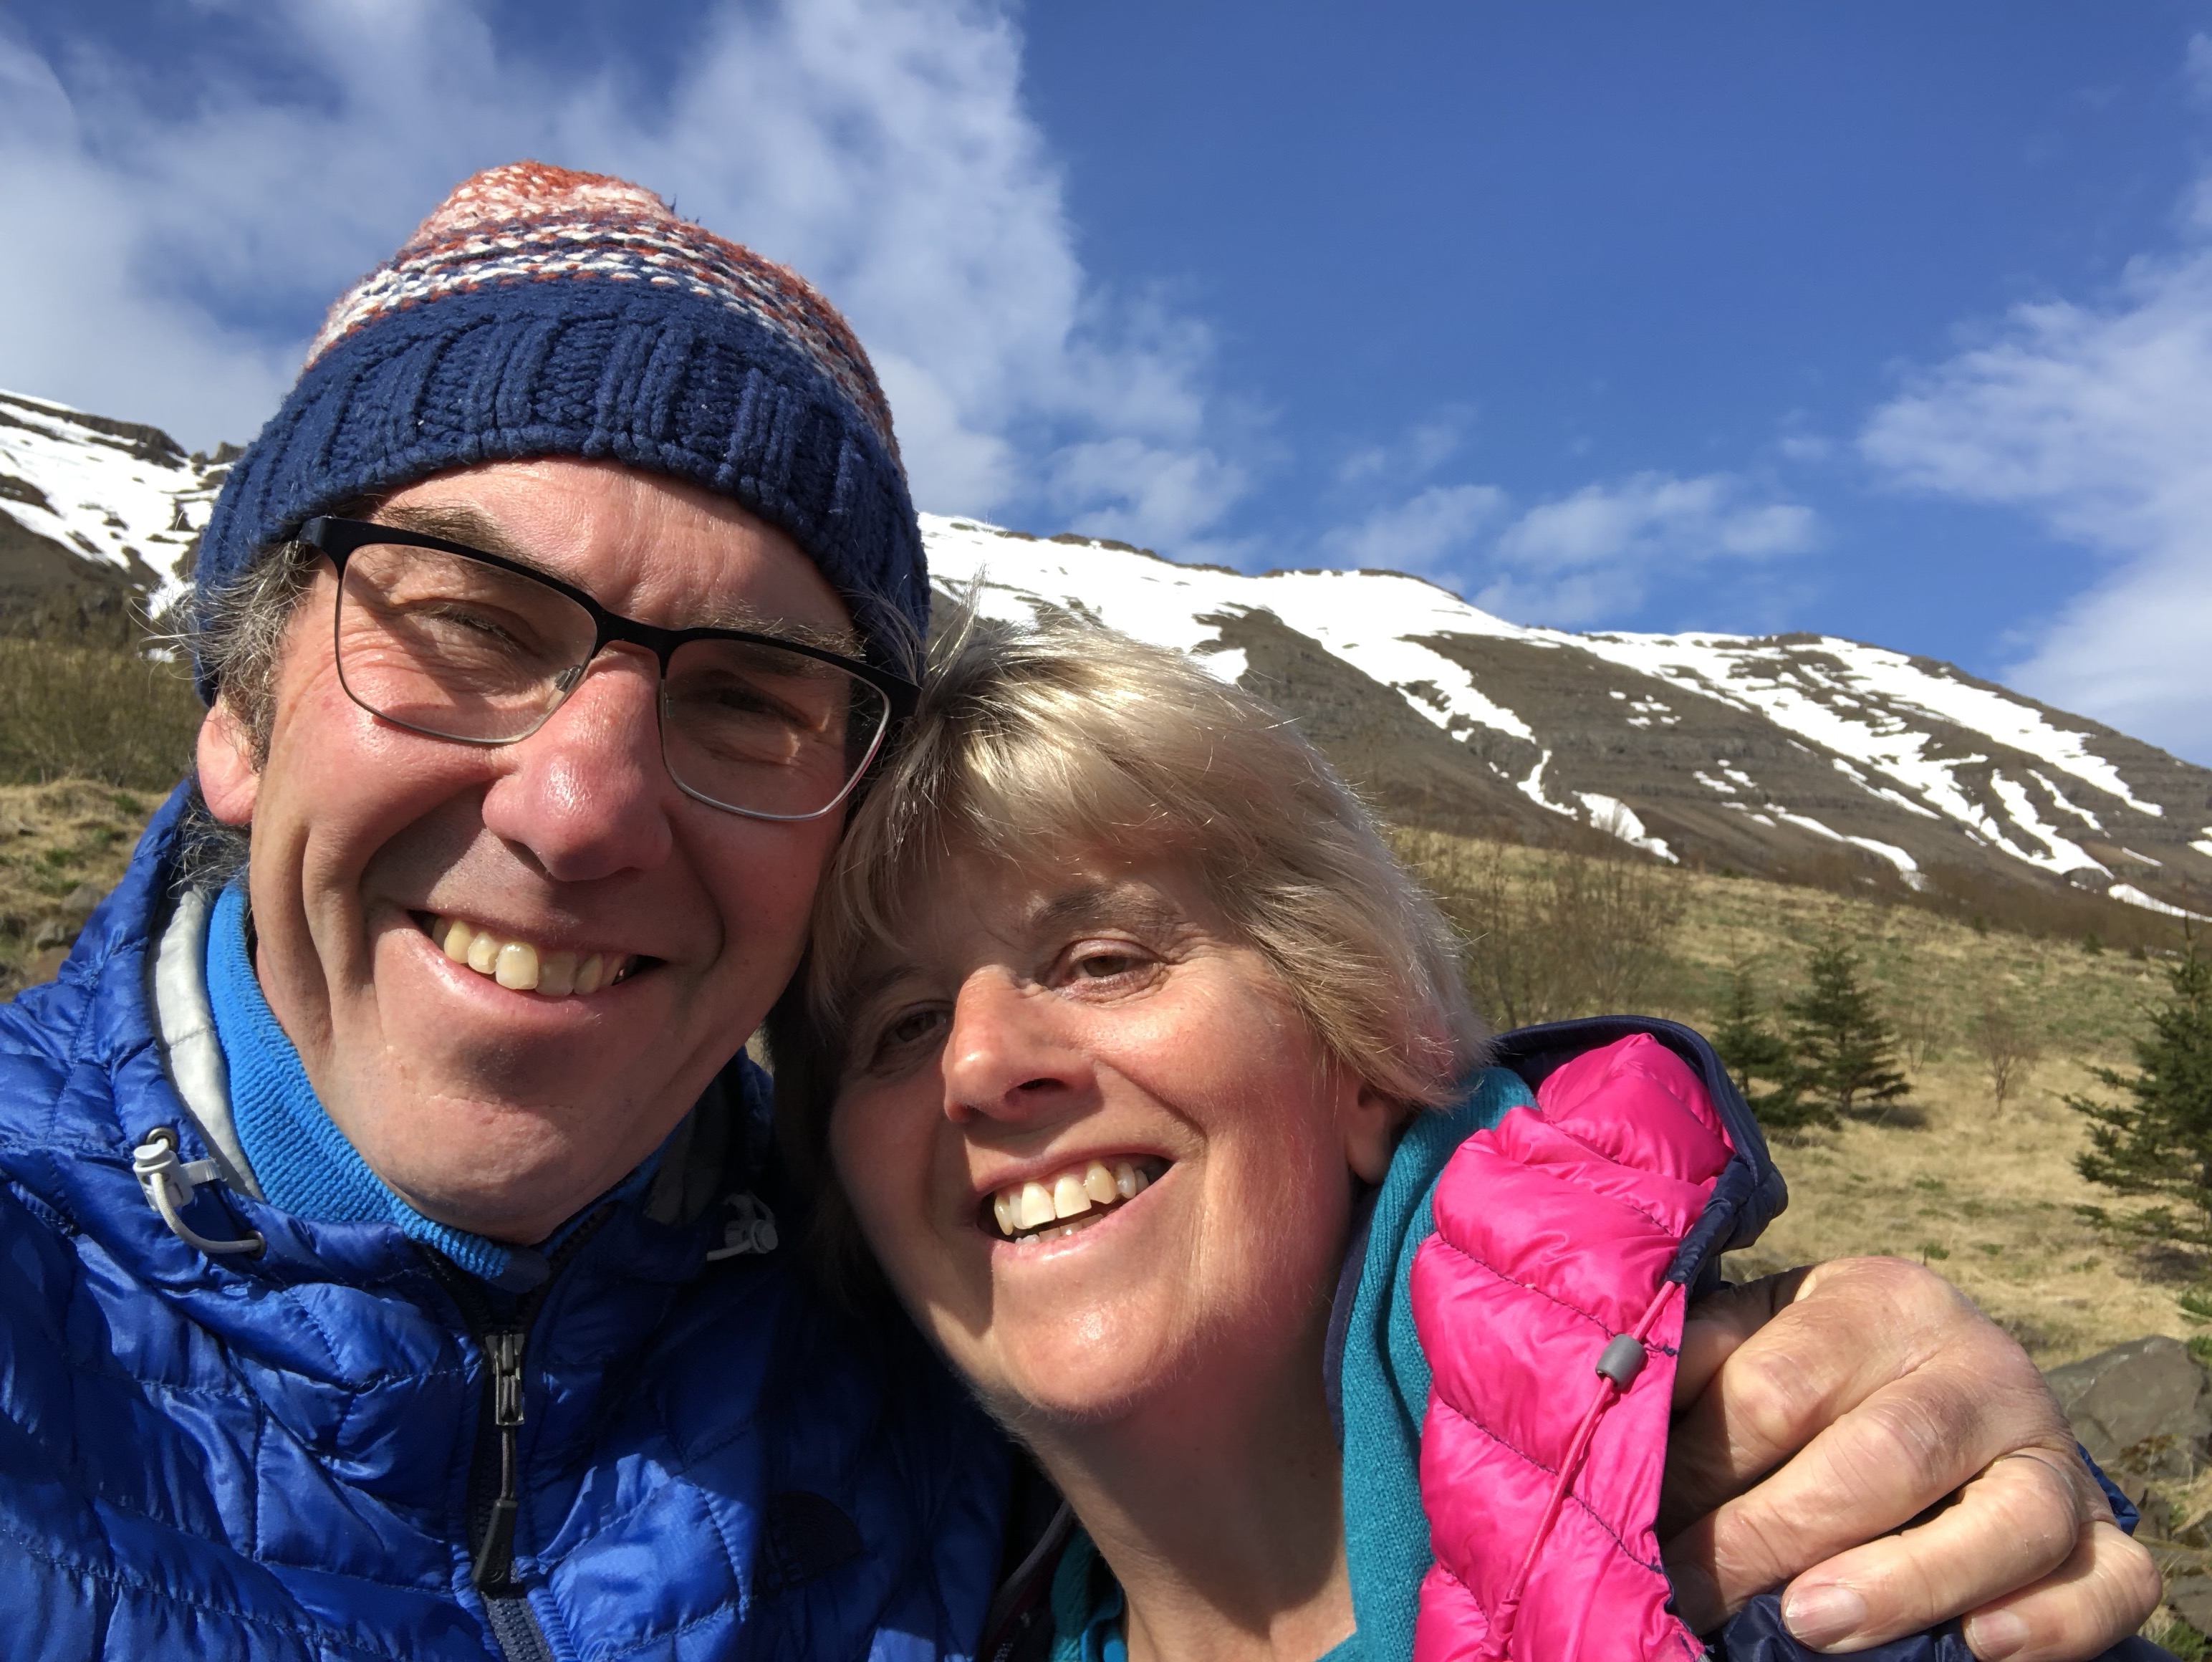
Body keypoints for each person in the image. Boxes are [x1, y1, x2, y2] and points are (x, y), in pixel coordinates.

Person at [0, 160, 2155, 1660]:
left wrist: (1740, 1408)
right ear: (235, 712)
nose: (577, 810)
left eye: (744, 698)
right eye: (467, 627)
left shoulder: (901, 1354)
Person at [776, 616, 2168, 1662]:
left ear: (1362, 1055)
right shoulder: (869, 1604)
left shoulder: (1805, 1561)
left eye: (1102, 958)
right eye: (899, 1027)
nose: (977, 1066)